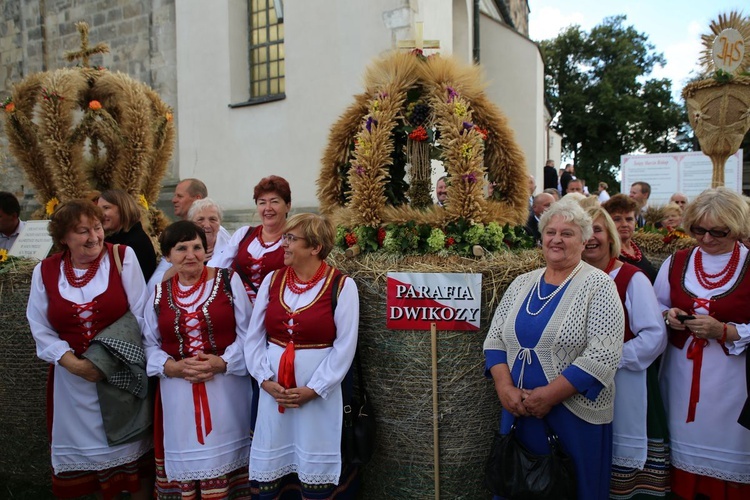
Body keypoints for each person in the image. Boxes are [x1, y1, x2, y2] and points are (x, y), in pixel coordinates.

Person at [484, 200, 624, 500]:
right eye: (550, 232)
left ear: (584, 240)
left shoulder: (598, 285)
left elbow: (603, 354)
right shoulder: (522, 283)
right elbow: (495, 340)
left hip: (573, 417)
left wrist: (548, 396)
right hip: (519, 413)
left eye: (567, 233)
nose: (557, 239)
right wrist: (504, 387)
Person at [27, 199, 153, 499]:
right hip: (72, 387)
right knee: (85, 474)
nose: (94, 237)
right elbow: (39, 325)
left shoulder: (123, 257)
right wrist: (71, 362)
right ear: (63, 239)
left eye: (97, 228)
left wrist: (101, 362)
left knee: (134, 467)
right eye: (83, 231)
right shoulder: (45, 271)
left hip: (120, 377)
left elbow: (140, 314)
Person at [244, 213, 360, 499]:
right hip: (274, 394)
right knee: (275, 465)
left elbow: (345, 347)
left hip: (318, 399)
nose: (283, 244)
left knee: (315, 462)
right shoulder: (273, 281)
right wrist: (264, 380)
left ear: (315, 247)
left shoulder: (342, 286)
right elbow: (254, 337)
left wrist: (314, 389)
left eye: (290, 239)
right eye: (284, 237)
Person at [143, 221, 253, 498]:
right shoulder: (158, 293)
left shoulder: (228, 281)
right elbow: (149, 343)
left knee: (227, 457)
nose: (190, 255)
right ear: (167, 256)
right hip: (178, 393)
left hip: (226, 390)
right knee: (189, 458)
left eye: (197, 247)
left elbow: (249, 335)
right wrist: (171, 367)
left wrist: (223, 362)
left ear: (206, 250)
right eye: (181, 248)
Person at [657, 187, 750, 499]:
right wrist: (668, 315)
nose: (707, 239)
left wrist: (725, 331)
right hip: (681, 379)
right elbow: (653, 308)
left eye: (718, 232)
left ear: (737, 228)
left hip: (734, 384)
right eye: (698, 230)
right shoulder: (676, 261)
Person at [582, 207, 670, 498]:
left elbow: (654, 336)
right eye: (582, 230)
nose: (590, 238)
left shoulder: (632, 278)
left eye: (597, 229)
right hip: (577, 388)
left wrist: (603, 359)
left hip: (627, 386)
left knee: (625, 473)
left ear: (609, 235)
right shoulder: (569, 278)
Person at [214, 175, 291, 305]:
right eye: (262, 202)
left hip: (275, 310)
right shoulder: (243, 234)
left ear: (288, 206)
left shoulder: (293, 239)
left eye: (274, 201)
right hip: (238, 311)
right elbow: (220, 270)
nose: (268, 208)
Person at [97, 189, 157, 281]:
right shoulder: (118, 239)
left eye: (106, 208)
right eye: (98, 210)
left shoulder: (135, 243)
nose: (100, 214)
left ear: (123, 208)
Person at [603, 194, 658, 283]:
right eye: (617, 219)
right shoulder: (606, 254)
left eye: (629, 219)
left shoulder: (636, 248)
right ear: (607, 222)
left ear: (635, 221)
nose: (624, 224)